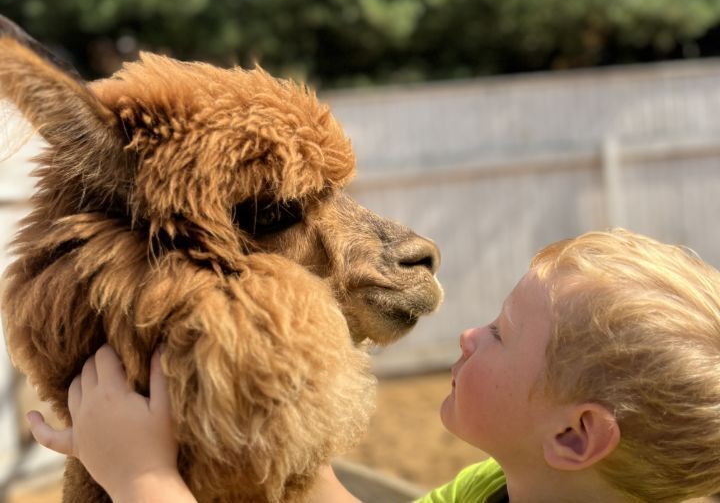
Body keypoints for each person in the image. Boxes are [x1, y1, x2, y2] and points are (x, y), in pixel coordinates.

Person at [27, 229, 720, 502]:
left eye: (502, 336)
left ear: (574, 436)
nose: (469, 336)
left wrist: (138, 474)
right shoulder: (497, 489)